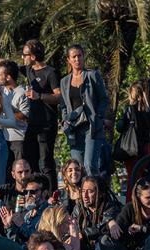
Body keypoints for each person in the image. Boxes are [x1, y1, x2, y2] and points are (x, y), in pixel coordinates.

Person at [59, 44, 110, 178]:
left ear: (83, 56)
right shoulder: (64, 81)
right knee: (78, 168)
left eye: (79, 56)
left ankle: (97, 196)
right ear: (68, 60)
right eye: (73, 57)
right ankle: (82, 197)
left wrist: (98, 116)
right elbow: (63, 105)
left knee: (89, 165)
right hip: (74, 128)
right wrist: (65, 121)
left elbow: (104, 99)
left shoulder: (92, 75)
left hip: (91, 127)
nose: (77, 59)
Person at [20, 39, 62, 176]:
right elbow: (8, 65)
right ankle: (36, 194)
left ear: (33, 56)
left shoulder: (51, 72)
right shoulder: (29, 70)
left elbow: (59, 97)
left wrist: (39, 96)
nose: (22, 57)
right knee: (30, 161)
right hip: (32, 124)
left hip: (47, 125)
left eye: (25, 54)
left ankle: (51, 195)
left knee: (46, 163)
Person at [0, 60, 30, 165]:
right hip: (3, 139)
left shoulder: (22, 93)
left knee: (20, 170)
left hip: (17, 140)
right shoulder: (1, 91)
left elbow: (24, 115)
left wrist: (6, 114)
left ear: (8, 77)